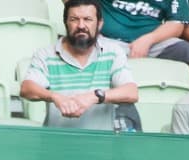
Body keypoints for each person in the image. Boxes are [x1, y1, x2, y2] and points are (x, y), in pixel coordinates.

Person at [22, 0, 137, 131]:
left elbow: (131, 92)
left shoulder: (113, 52)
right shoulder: (45, 54)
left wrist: (94, 97)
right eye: (74, 19)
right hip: (55, 143)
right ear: (66, 23)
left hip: (101, 145)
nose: (81, 25)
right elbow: (27, 89)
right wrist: (55, 96)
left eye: (88, 19)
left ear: (99, 24)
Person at [98, 0, 189, 65]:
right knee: (89, 43)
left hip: (152, 45)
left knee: (184, 50)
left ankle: (184, 96)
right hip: (108, 41)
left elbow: (176, 24)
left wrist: (148, 39)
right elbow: (86, 7)